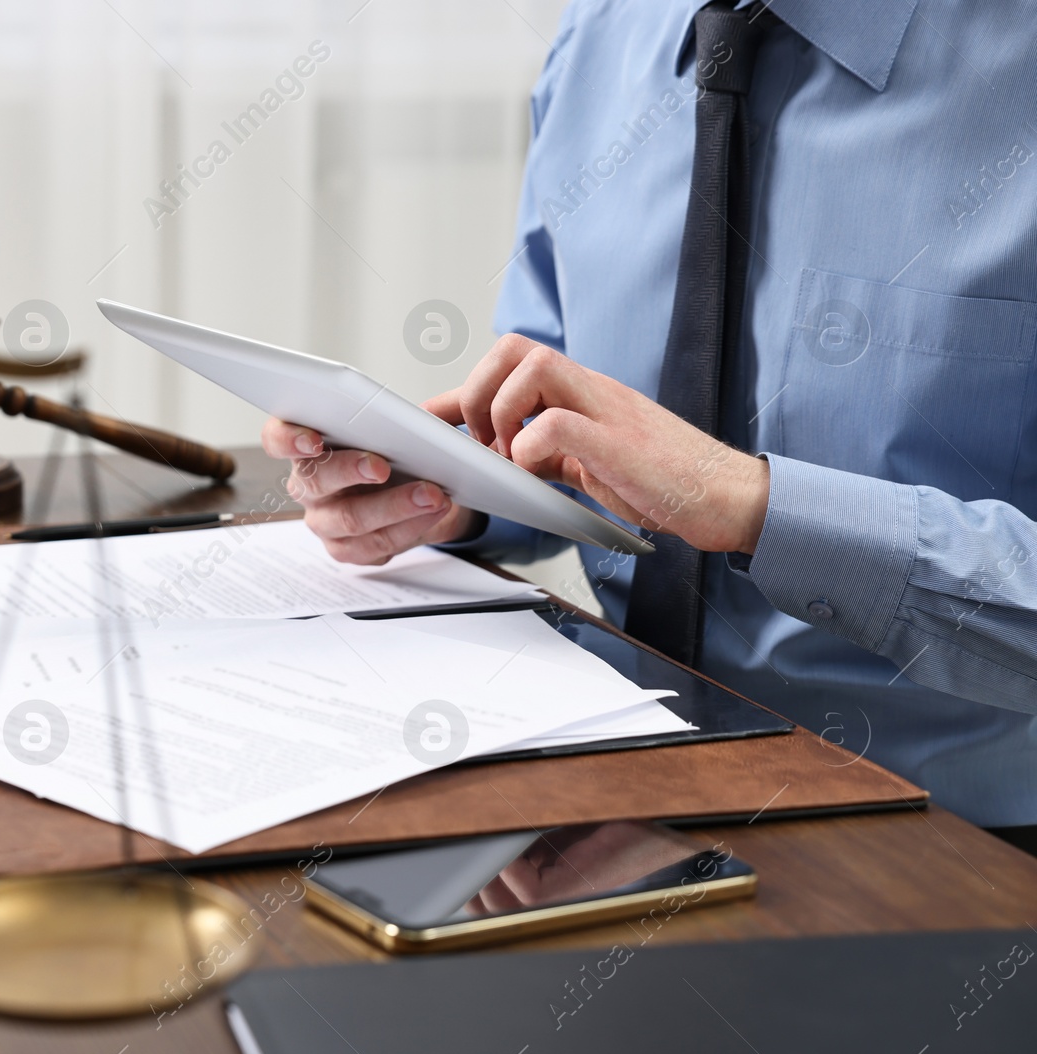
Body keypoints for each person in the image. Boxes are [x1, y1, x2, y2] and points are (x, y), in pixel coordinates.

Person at [263, 0, 1037, 848]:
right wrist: (452, 487)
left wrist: (749, 504)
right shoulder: (600, 33)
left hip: (954, 845)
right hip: (599, 785)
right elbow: (560, 408)